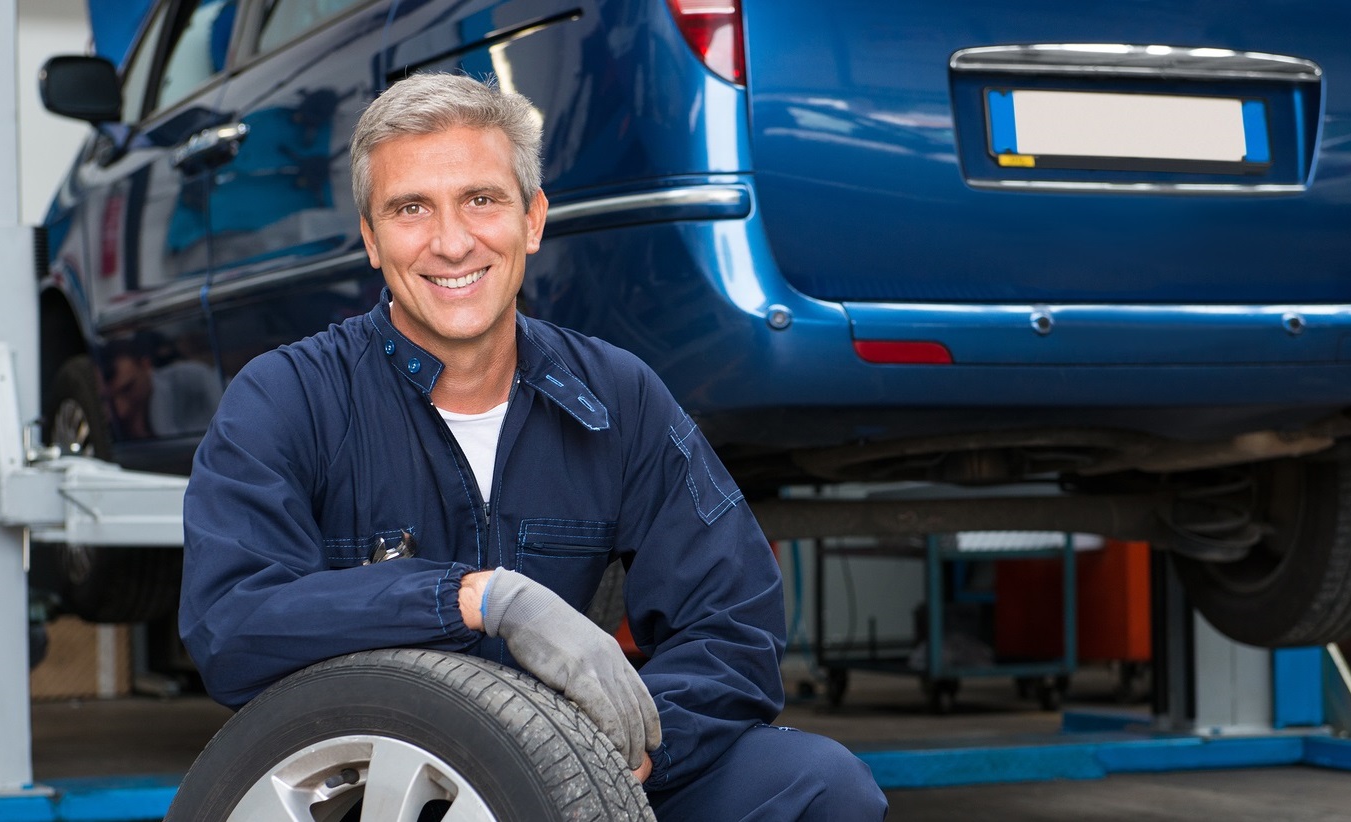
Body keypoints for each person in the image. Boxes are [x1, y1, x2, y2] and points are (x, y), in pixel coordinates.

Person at [178, 72, 887, 820]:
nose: (451, 243)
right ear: (372, 240)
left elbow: (731, 625)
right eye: (411, 208)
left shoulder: (616, 396)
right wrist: (472, 598)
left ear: (533, 220)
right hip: (380, 786)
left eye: (480, 200)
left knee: (817, 786)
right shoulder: (285, 397)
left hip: (578, 773)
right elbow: (232, 626)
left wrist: (623, 744)